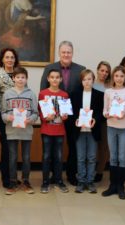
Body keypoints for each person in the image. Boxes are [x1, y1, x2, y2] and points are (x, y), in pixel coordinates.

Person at [40, 40, 86, 186]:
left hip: (72, 115)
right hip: (52, 116)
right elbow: (43, 89)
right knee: (52, 147)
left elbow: (83, 91)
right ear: (59, 53)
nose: (66, 54)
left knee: (72, 145)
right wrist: (45, 114)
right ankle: (53, 175)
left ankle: (71, 175)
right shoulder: (49, 68)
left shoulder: (81, 69)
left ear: (72, 53)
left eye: (69, 52)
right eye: (63, 52)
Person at [102, 66, 125, 200]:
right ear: (113, 77)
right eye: (116, 76)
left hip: (124, 128)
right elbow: (104, 110)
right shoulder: (108, 92)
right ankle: (113, 185)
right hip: (111, 126)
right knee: (113, 157)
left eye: (121, 76)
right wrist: (107, 114)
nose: (119, 78)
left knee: (122, 157)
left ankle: (121, 186)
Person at [1, 67, 38, 195]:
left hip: (26, 131)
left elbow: (35, 113)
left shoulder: (31, 94)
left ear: (26, 79)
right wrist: (8, 117)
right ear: (13, 78)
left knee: (26, 158)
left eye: (23, 77)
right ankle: (12, 182)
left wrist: (30, 120)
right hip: (12, 131)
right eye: (18, 77)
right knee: (12, 157)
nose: (20, 79)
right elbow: (3, 113)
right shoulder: (7, 94)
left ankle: (26, 181)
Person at [0, 47, 20, 188]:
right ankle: (6, 179)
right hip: (4, 118)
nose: (10, 60)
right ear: (2, 59)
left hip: (19, 119)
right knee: (7, 149)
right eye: (7, 57)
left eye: (12, 57)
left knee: (15, 149)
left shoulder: (20, 74)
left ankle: (14, 177)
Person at [72, 69, 104, 193]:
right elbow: (72, 113)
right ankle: (81, 181)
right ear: (81, 81)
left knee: (91, 157)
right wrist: (75, 120)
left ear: (93, 80)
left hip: (92, 131)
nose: (87, 81)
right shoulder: (75, 94)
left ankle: (90, 181)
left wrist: (95, 119)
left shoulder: (99, 95)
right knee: (80, 157)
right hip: (79, 130)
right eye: (84, 79)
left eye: (89, 79)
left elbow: (101, 113)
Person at [39, 69, 70, 194]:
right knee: (46, 157)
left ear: (61, 79)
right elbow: (40, 112)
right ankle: (45, 182)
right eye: (52, 77)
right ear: (48, 79)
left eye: (57, 77)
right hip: (46, 130)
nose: (55, 79)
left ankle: (59, 180)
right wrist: (45, 118)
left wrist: (65, 117)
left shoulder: (64, 95)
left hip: (59, 131)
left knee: (58, 157)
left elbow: (66, 114)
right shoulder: (43, 94)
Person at [92, 61, 111, 182]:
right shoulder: (91, 84)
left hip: (105, 121)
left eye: (106, 71)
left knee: (103, 147)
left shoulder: (110, 87)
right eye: (102, 70)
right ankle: (90, 170)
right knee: (92, 147)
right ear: (97, 70)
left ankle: (99, 172)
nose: (104, 73)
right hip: (91, 120)